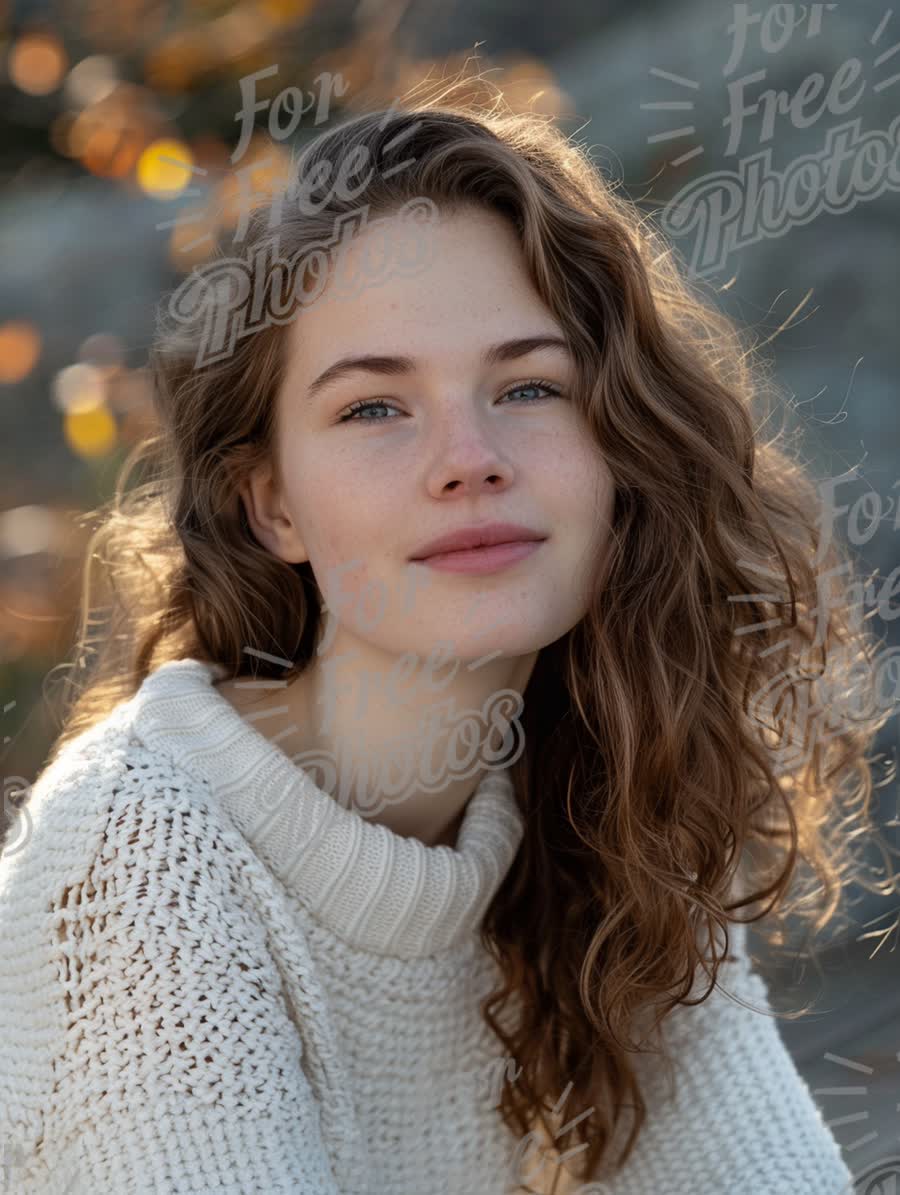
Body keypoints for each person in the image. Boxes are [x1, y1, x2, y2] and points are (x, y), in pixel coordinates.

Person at [0, 79, 887, 1194]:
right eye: (374, 406)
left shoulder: (604, 803)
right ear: (272, 505)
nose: (469, 456)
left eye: (527, 386)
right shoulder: (142, 849)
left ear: (621, 449)